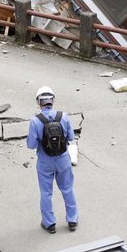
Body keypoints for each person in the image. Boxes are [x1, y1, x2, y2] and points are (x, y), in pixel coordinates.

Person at [25, 86, 77, 233]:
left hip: (45, 161)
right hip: (63, 159)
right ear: (52, 100)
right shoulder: (64, 116)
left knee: (46, 193)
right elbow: (71, 138)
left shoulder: (35, 121)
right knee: (67, 189)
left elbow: (31, 145)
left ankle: (49, 223)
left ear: (38, 102)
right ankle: (72, 220)